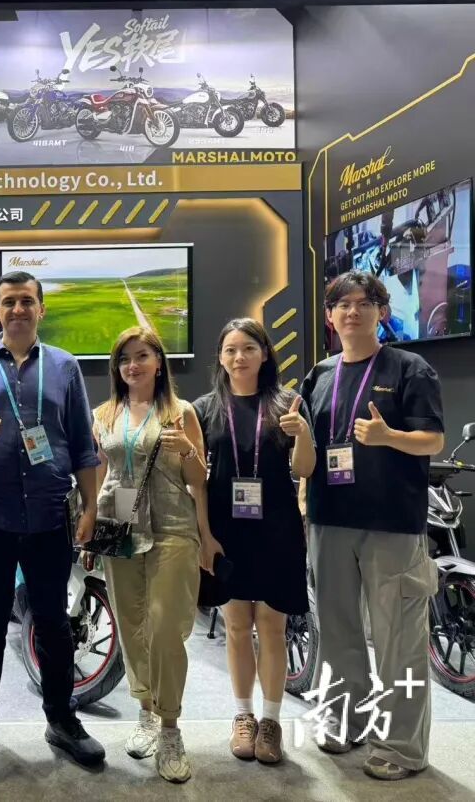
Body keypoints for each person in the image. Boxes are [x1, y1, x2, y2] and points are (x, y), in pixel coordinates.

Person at [0, 270, 105, 770]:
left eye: (26, 301)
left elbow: (82, 444)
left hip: (50, 516)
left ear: (41, 309)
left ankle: (62, 719)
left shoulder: (65, 366)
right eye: (8, 301)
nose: (17, 309)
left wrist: (91, 507)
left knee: (52, 621)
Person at [301, 270, 443, 781]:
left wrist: (389, 437)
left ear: (381, 312)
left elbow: (433, 441)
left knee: (398, 641)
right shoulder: (319, 375)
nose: (353, 311)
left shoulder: (410, 369)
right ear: (329, 316)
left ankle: (402, 747)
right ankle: (345, 721)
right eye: (342, 304)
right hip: (329, 523)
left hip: (392, 526)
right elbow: (308, 448)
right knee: (337, 633)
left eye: (364, 303)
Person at [192, 318, 316, 765]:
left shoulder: (287, 403)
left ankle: (271, 721)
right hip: (226, 531)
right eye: (230, 350)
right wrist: (204, 536)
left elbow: (305, 468)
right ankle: (243, 716)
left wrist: (302, 434)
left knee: (273, 627)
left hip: (276, 530)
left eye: (248, 348)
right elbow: (195, 481)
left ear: (264, 354)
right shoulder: (204, 408)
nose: (238, 357)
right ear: (220, 358)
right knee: (237, 627)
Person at [91, 326, 206, 783]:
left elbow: (199, 478)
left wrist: (189, 451)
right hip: (120, 526)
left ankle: (171, 726)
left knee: (165, 627)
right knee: (131, 624)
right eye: (124, 359)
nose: (132, 365)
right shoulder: (104, 414)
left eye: (141, 356)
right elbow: (101, 477)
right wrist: (90, 530)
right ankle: (145, 713)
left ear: (159, 362)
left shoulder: (181, 412)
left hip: (173, 527)